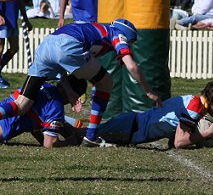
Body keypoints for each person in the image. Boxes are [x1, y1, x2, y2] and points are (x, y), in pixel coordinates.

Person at [0, 18, 162, 148]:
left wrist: (69, 91)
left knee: (22, 105)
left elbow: (59, 61)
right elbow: (132, 66)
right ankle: (91, 137)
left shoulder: (95, 27)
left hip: (47, 44)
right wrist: (149, 91)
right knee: (106, 82)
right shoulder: (117, 34)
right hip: (68, 46)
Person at [92, 80, 213, 149]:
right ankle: (68, 124)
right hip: (128, 128)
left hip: (129, 126)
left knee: (83, 135)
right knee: (82, 137)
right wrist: (208, 133)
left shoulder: (195, 103)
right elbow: (179, 142)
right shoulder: (194, 108)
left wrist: (199, 141)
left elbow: (173, 140)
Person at [0, 75, 87, 148]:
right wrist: (69, 142)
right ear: (73, 93)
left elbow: (35, 125)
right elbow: (49, 143)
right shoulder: (56, 107)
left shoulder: (42, 85)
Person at [0, 0, 32, 88]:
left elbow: (20, 2)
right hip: (2, 17)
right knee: (0, 47)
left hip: (11, 18)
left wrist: (26, 20)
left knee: (14, 48)